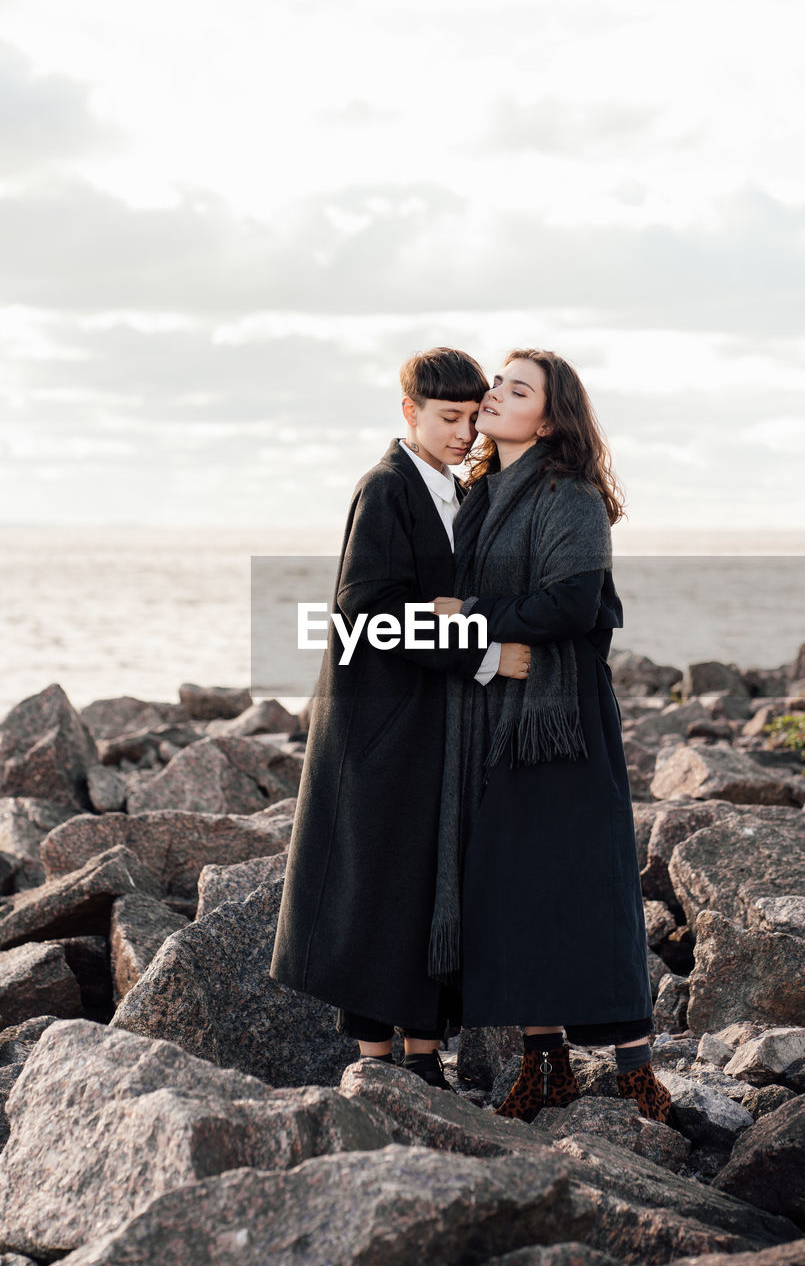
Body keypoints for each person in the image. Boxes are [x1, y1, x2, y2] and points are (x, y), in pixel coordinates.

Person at [270, 347, 531, 1089]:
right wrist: (483, 657)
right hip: (377, 727)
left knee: (428, 878)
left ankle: (423, 1052)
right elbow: (370, 611)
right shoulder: (385, 489)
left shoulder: (455, 489)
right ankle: (377, 1065)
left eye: (469, 419)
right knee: (372, 885)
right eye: (447, 419)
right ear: (409, 412)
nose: (462, 434)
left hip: (430, 722)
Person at [431, 347, 673, 1124]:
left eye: (516, 388)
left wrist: (470, 621)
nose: (495, 394)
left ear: (550, 412)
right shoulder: (473, 495)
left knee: (582, 885)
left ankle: (637, 1072)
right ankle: (546, 1065)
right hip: (490, 710)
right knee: (507, 885)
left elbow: (571, 602)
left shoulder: (567, 494)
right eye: (496, 383)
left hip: (559, 720)